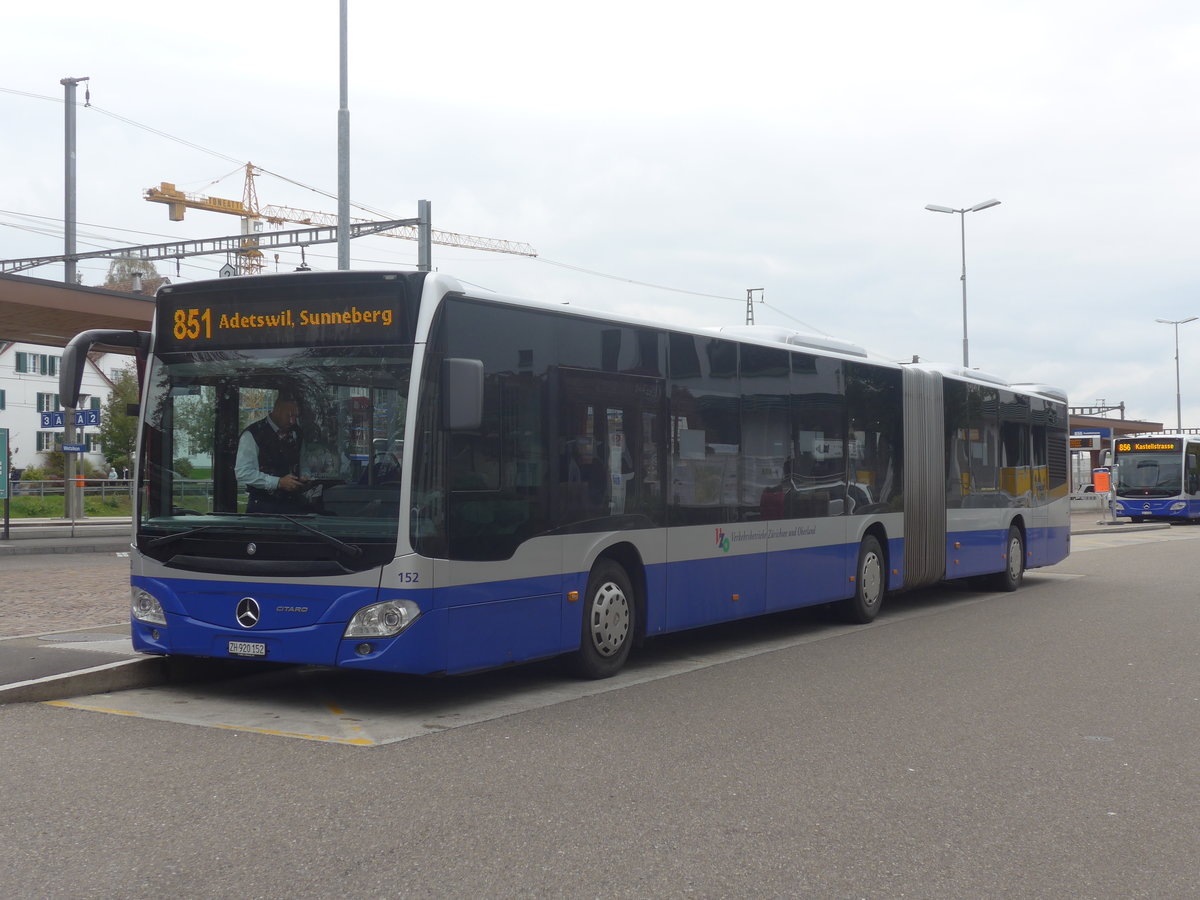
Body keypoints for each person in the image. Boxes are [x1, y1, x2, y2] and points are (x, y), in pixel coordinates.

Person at [236, 391, 310, 514]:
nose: (293, 421)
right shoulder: (253, 434)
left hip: (293, 506)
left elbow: (302, 462)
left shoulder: (297, 433)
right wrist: (278, 482)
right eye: (290, 415)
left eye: (296, 417)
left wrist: (304, 476)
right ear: (277, 409)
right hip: (263, 508)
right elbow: (243, 472)